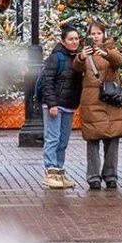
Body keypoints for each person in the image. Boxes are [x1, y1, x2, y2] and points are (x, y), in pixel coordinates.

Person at [75, 22, 122, 190]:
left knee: (112, 139)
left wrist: (106, 54)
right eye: (93, 33)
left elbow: (119, 62)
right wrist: (81, 57)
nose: (96, 36)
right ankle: (93, 177)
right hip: (92, 100)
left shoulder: (111, 49)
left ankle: (111, 175)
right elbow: (76, 67)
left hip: (111, 101)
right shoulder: (86, 52)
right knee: (93, 139)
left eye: (99, 33)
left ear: (104, 34)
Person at [40, 25, 84, 190]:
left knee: (63, 141)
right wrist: (52, 103)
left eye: (76, 39)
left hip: (68, 105)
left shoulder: (77, 58)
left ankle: (59, 171)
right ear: (63, 41)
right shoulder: (55, 58)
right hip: (55, 105)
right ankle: (50, 171)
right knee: (53, 138)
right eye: (71, 39)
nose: (74, 42)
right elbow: (48, 81)